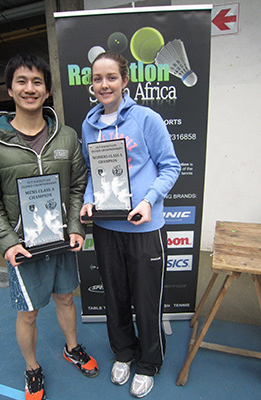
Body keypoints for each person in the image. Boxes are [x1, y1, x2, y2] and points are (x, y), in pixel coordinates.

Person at [0, 54, 99, 400]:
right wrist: (8, 242)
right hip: (22, 246)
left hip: (60, 241)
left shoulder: (67, 137)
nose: (30, 88)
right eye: (22, 82)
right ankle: (32, 369)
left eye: (37, 82)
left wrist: (75, 225)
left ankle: (72, 348)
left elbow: (77, 186)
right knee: (28, 314)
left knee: (65, 299)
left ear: (48, 90)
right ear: (10, 89)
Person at [80, 51, 181, 398]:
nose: (104, 84)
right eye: (97, 78)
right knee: (116, 297)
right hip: (107, 229)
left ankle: (149, 363)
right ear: (91, 84)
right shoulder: (89, 125)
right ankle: (124, 352)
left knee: (146, 299)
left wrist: (148, 201)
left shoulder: (146, 119)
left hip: (144, 229)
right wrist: (88, 200)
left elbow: (171, 167)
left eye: (111, 77)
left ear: (125, 81)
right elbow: (92, 175)